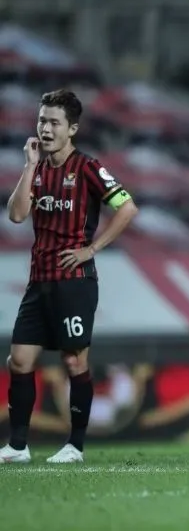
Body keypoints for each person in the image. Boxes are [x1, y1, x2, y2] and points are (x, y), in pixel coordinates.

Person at [0, 89, 138, 464]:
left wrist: (91, 249)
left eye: (53, 122)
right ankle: (17, 445)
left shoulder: (88, 168)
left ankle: (74, 446)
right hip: (38, 280)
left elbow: (126, 207)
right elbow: (15, 215)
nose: (45, 128)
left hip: (74, 281)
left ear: (72, 129)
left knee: (74, 362)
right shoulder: (38, 170)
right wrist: (28, 166)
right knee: (19, 361)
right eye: (41, 120)